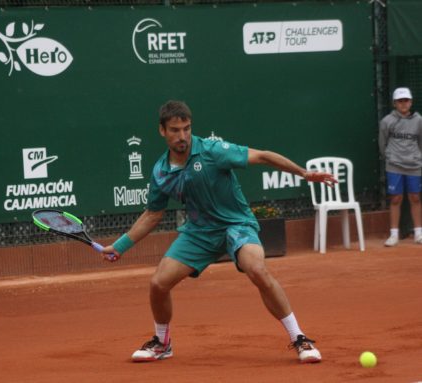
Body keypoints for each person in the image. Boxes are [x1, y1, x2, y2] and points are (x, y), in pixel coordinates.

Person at [102, 100, 337, 364]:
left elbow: (262, 155)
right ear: (162, 131)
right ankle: (162, 343)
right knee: (158, 283)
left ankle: (299, 339)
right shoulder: (161, 171)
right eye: (175, 130)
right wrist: (120, 246)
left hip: (236, 225)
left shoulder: (213, 150)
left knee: (257, 269)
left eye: (187, 129)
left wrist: (303, 173)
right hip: (199, 233)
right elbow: (153, 214)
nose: (182, 136)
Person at [378, 87, 422, 246]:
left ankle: (419, 233)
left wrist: (417, 157)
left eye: (406, 101)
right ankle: (394, 235)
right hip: (394, 165)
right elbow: (383, 144)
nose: (403, 104)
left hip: (414, 165)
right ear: (395, 103)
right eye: (400, 101)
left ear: (411, 102)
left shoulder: (419, 121)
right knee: (396, 198)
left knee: (415, 197)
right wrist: (390, 157)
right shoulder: (387, 121)